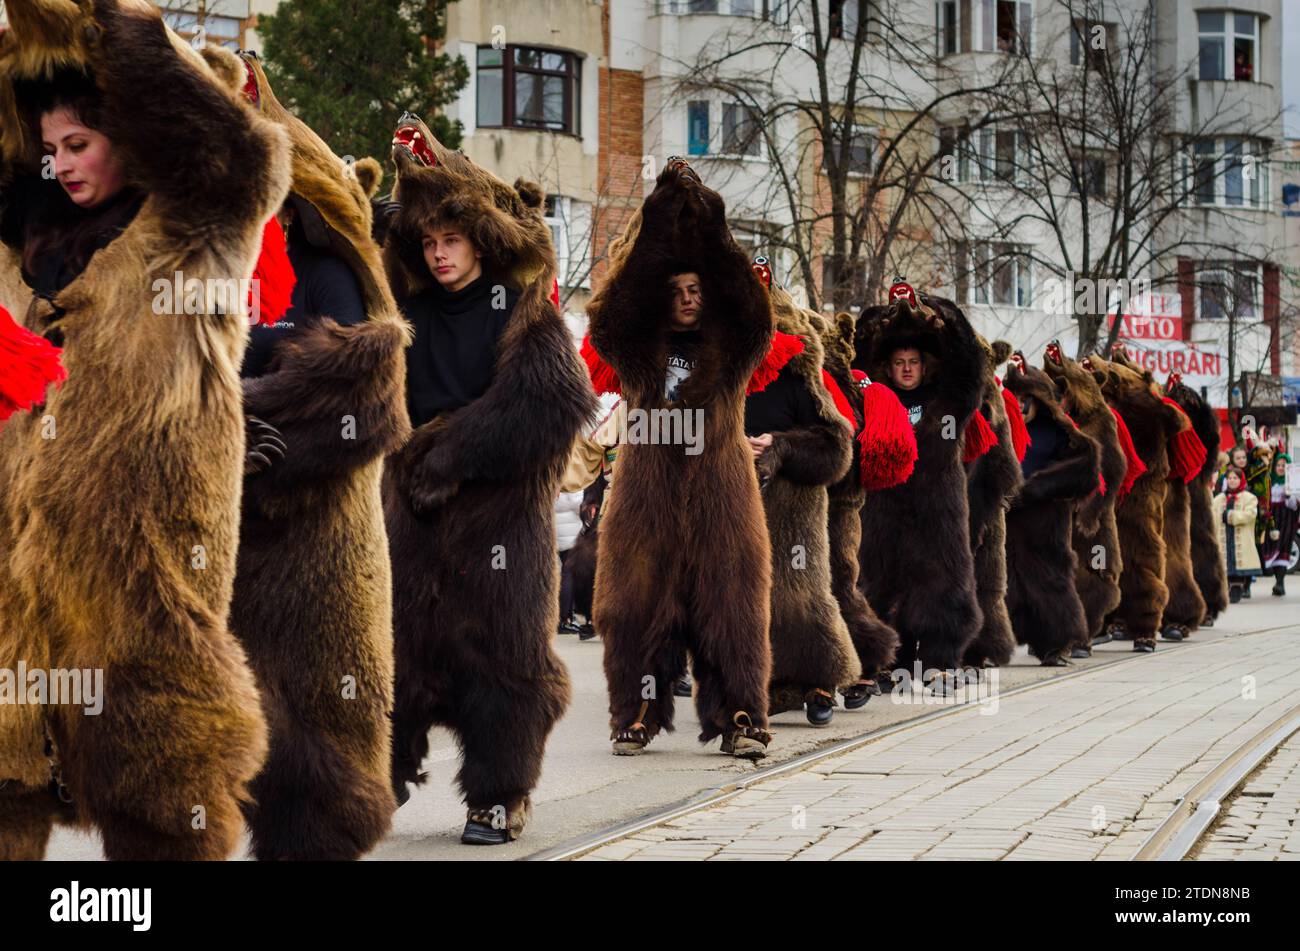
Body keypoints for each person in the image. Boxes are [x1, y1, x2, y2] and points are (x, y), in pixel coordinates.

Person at [0, 0, 285, 859]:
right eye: (49, 151)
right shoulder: (30, 256)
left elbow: (239, 158)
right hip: (21, 595)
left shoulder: (195, 234)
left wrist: (122, 28)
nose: (62, 167)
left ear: (128, 132)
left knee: (160, 799)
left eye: (78, 144)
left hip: (148, 582)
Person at [383, 115, 596, 845]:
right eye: (430, 242)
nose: (440, 254)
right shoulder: (405, 312)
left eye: (452, 240)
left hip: (501, 525)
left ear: (479, 241)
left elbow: (554, 402)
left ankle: (501, 795)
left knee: (503, 664)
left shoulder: (519, 310)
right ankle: (383, 774)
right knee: (394, 653)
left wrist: (448, 448)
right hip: (412, 520)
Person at [225, 51, 411, 860]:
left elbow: (347, 379)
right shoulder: (207, 260)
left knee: (318, 742)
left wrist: (245, 388)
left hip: (322, 547)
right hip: (224, 534)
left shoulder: (326, 262)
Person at [582, 158, 775, 759]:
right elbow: (608, 322)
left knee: (733, 610)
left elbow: (754, 315)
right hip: (646, 503)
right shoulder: (640, 354)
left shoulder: (731, 352)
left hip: (724, 503)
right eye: (677, 292)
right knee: (636, 608)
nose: (688, 300)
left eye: (696, 291)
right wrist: (658, 218)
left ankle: (741, 715)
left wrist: (712, 228)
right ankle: (636, 714)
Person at [1215, 468, 1262, 603]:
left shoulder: (1250, 498)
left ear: (1241, 480)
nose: (1232, 481)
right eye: (1229, 478)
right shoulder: (1219, 499)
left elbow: (1250, 515)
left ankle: (1239, 587)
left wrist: (1230, 515)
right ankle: (1229, 587)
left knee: (1240, 564)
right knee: (1225, 563)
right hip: (1224, 536)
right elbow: (1211, 516)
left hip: (1242, 537)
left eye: (1235, 478)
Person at [1258, 453, 1297, 596]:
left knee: (1283, 549)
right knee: (1271, 548)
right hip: (1271, 519)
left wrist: (1289, 496)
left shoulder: (1292, 484)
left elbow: (1294, 506)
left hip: (1286, 519)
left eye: (1283, 466)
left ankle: (1280, 583)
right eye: (1278, 465)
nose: (1280, 468)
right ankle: (1277, 580)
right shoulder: (1269, 482)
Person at [555, 488, 585, 634]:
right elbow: (577, 503)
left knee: (559, 574)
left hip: (556, 531)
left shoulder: (553, 481)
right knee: (568, 575)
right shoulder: (570, 481)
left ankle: (559, 616)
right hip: (570, 533)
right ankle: (565, 618)